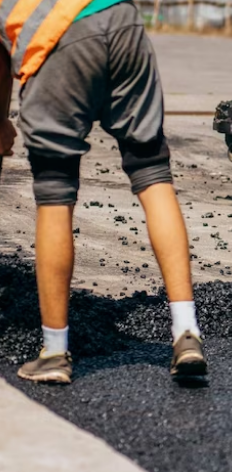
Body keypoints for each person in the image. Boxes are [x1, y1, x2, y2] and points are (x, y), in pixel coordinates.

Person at [1, 0, 206, 384]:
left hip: (58, 37)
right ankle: (186, 332)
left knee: (55, 189)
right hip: (122, 19)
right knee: (152, 172)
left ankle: (55, 352)